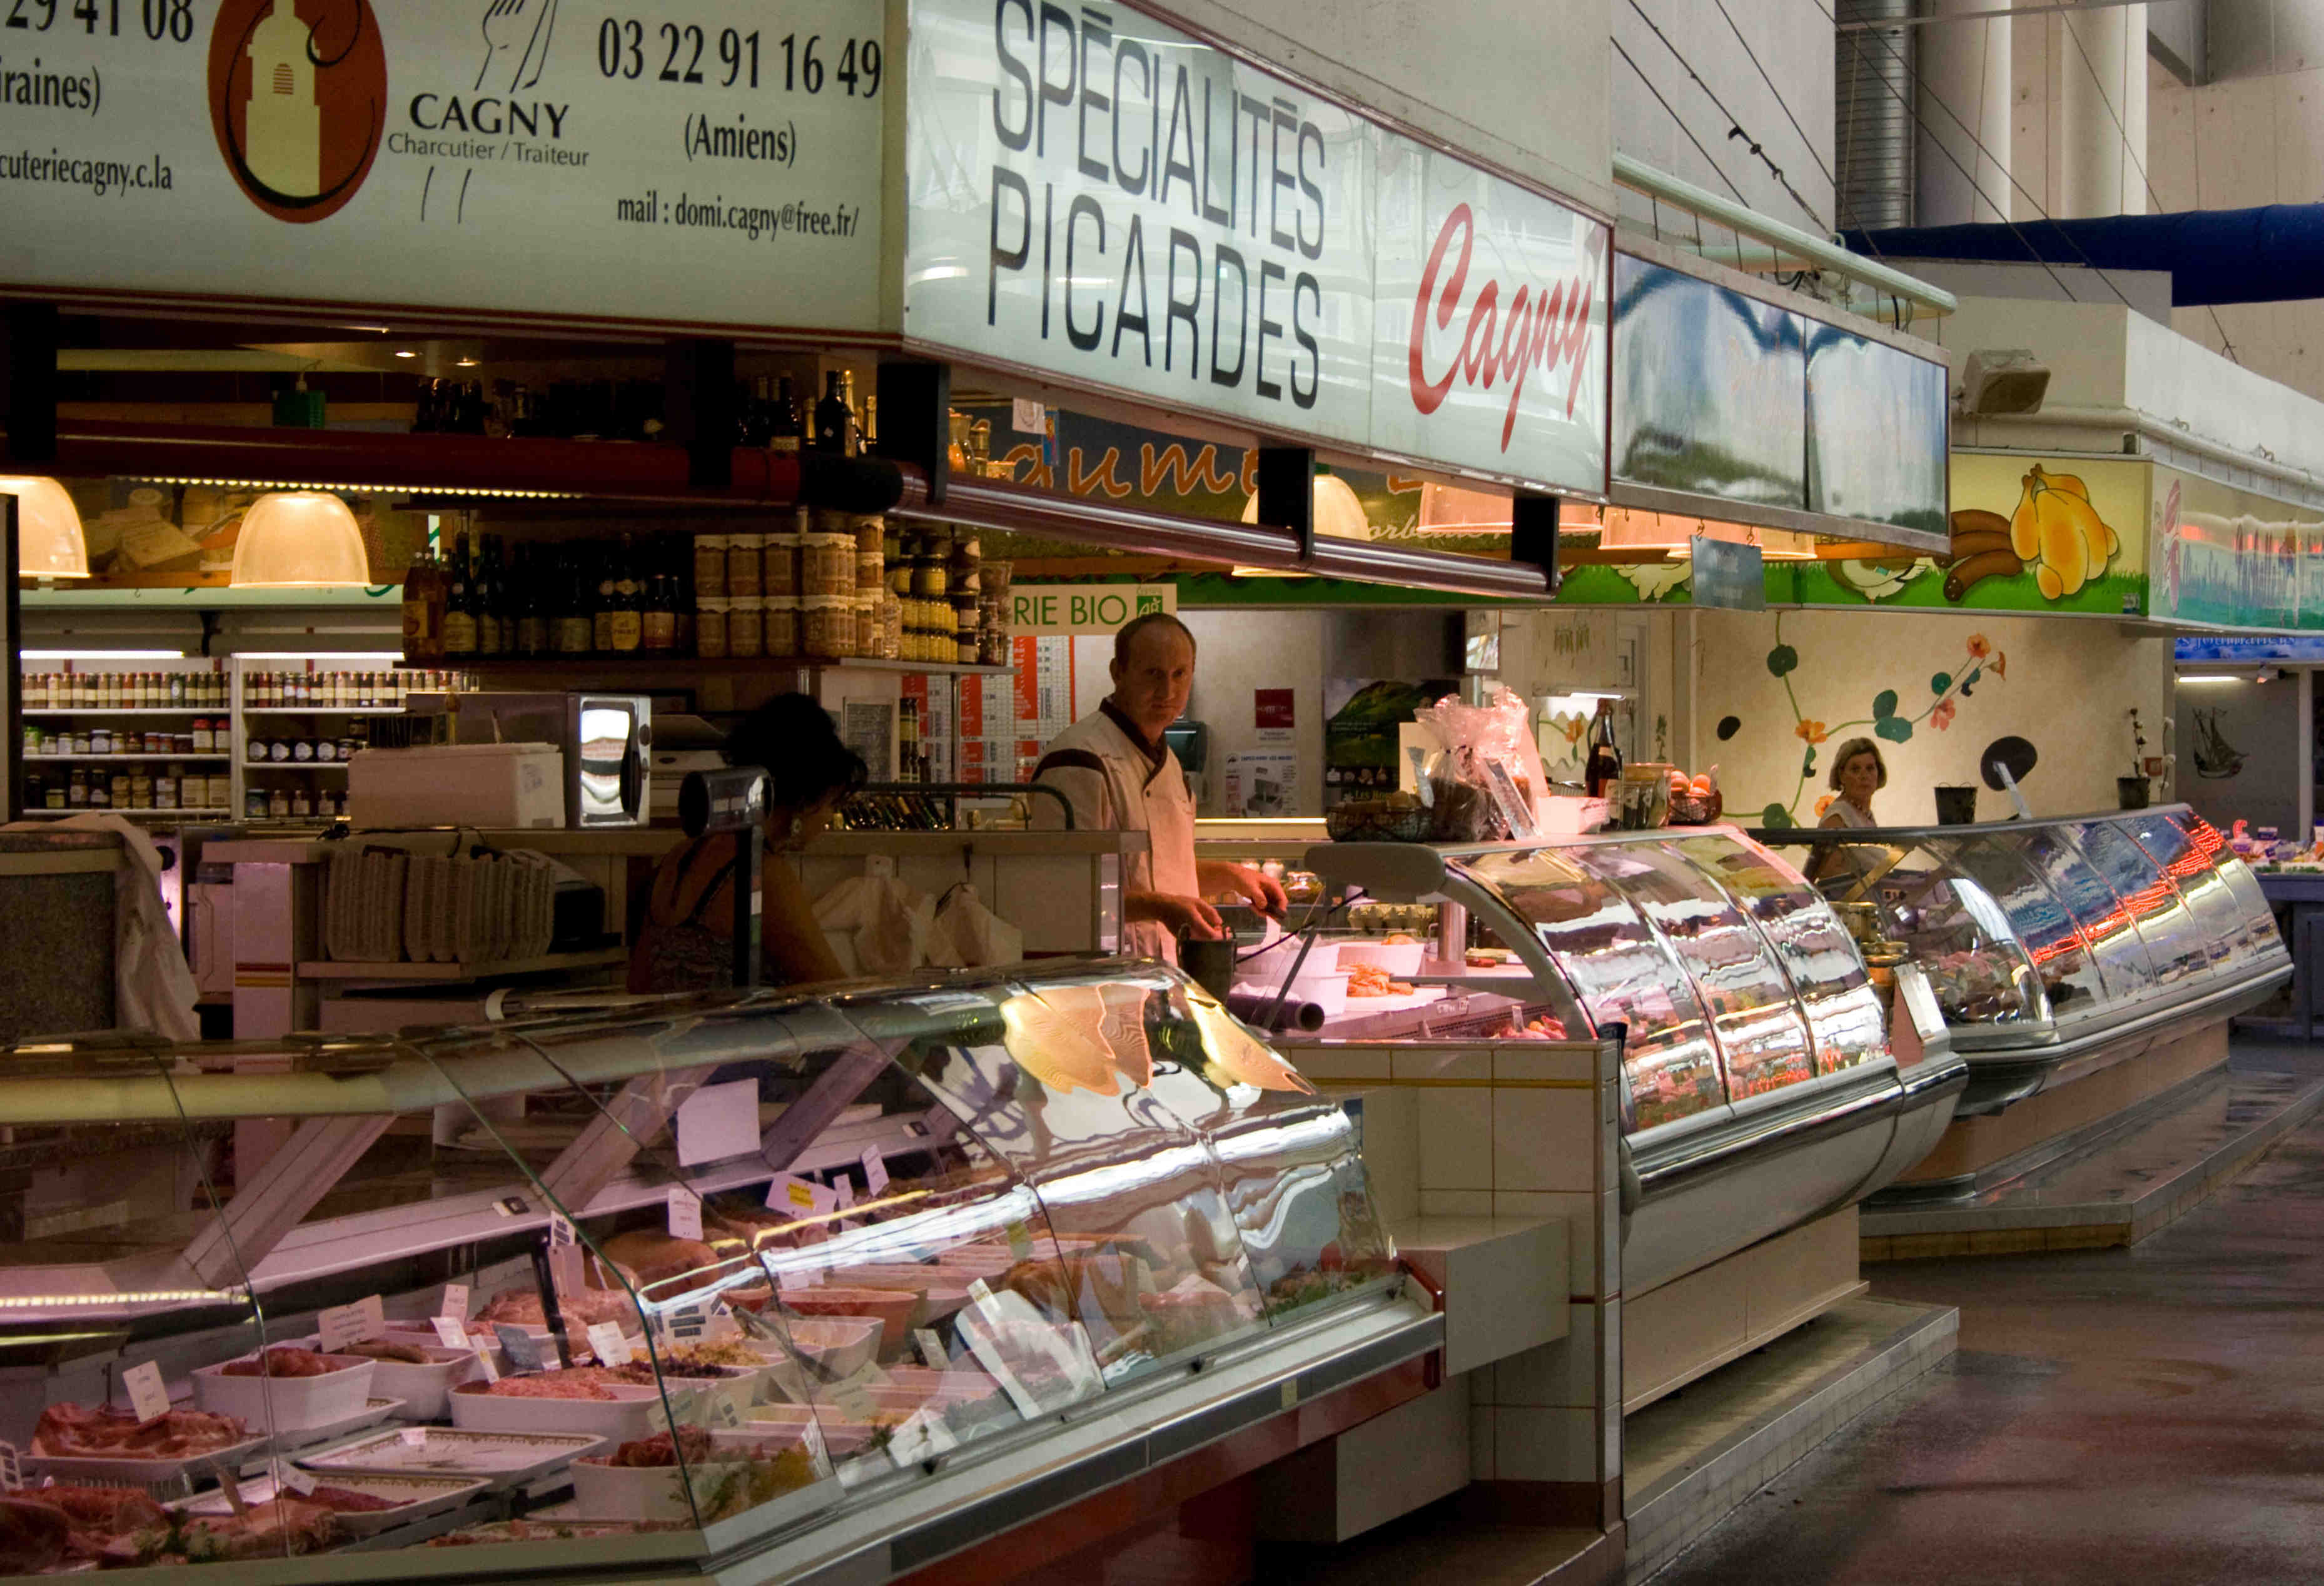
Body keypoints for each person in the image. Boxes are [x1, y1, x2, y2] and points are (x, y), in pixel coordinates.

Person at [1033, 612, 1287, 963]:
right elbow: (1060, 894)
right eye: (1153, 674)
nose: (1168, 691)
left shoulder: (1170, 766)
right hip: (1099, 978)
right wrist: (1160, 906)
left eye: (1179, 675)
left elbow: (1157, 871)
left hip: (1163, 975)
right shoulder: (1078, 760)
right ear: (1117, 672)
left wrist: (1234, 876)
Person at [628, 694, 866, 993]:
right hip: (739, 1038)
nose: (829, 818)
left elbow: (638, 983)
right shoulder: (762, 873)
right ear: (808, 800)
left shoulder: (680, 856)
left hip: (674, 1037)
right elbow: (828, 987)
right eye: (833, 803)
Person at [1813, 736, 1887, 887]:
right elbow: (1829, 876)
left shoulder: (1866, 814)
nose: (1864, 775)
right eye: (1855, 769)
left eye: (1870, 768)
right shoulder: (1838, 815)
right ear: (1842, 775)